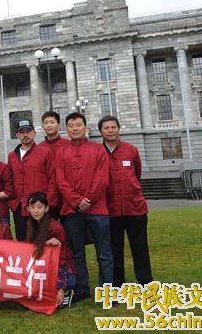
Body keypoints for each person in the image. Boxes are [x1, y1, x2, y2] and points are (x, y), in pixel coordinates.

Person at [55, 112, 113, 305]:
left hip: (97, 209)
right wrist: (75, 200)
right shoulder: (61, 152)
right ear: (67, 129)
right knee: (77, 253)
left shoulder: (98, 150)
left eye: (78, 125)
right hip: (72, 211)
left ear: (85, 128)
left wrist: (87, 199)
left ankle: (107, 293)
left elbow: (102, 178)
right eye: (71, 126)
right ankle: (82, 289)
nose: (74, 129)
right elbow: (60, 180)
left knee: (103, 253)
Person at [98, 115, 153, 288]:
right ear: (101, 132)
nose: (110, 130)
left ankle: (146, 282)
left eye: (113, 127)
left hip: (134, 208)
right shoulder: (98, 153)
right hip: (110, 210)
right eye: (106, 128)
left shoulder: (131, 150)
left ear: (118, 129)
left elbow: (137, 174)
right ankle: (118, 284)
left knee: (140, 248)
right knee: (115, 250)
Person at [7, 120, 57, 241]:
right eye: (22, 132)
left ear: (34, 133)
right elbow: (10, 179)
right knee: (23, 243)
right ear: (17, 135)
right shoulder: (12, 156)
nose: (25, 135)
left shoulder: (45, 152)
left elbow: (52, 179)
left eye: (28, 131)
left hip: (39, 207)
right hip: (19, 207)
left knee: (42, 242)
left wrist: (48, 203)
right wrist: (13, 202)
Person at [25, 192, 76, 308]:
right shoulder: (30, 224)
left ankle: (66, 290)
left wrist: (61, 288)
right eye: (32, 207)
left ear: (46, 208)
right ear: (28, 208)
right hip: (41, 266)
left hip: (59, 267)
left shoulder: (55, 227)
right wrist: (44, 245)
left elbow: (63, 259)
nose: (36, 211)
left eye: (39, 207)